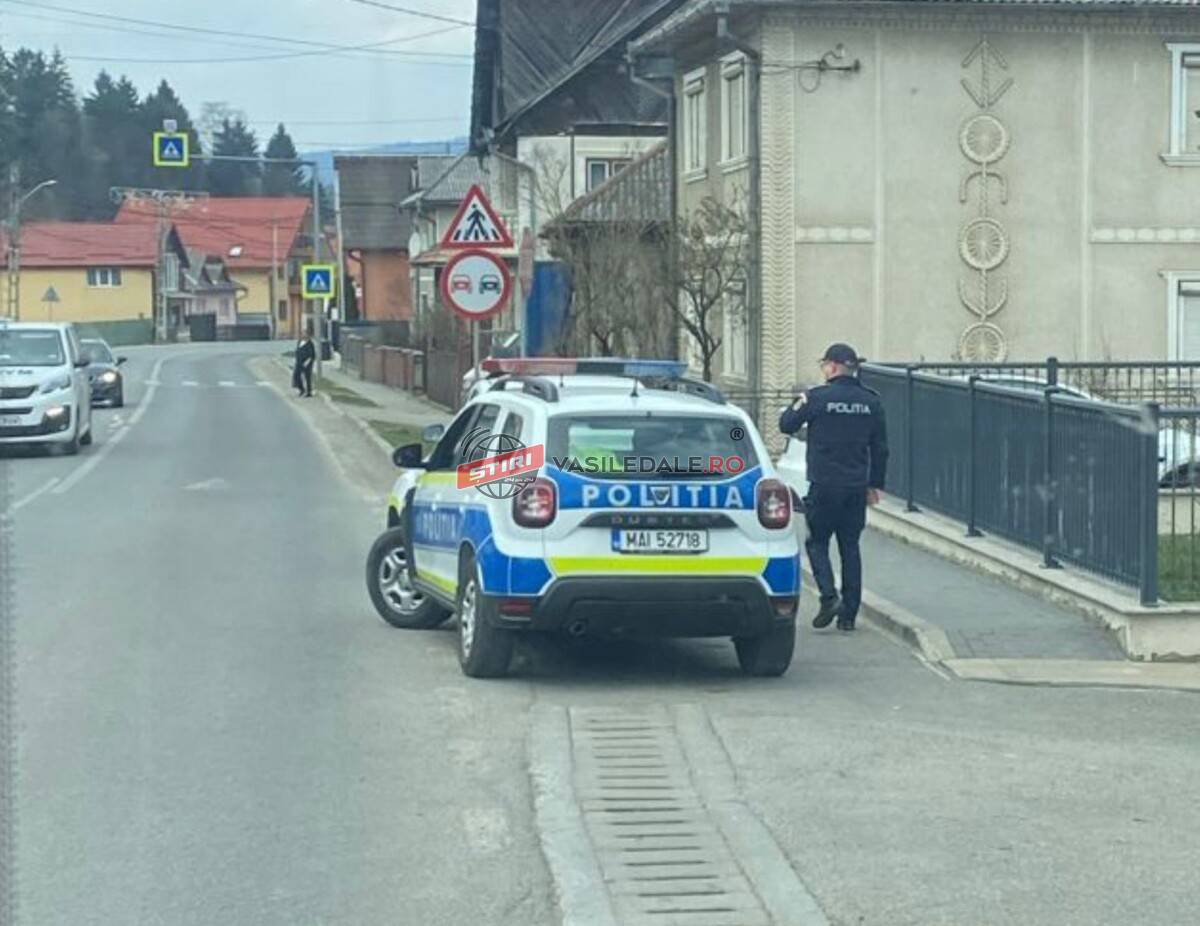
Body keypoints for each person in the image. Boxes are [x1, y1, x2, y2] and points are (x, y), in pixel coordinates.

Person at [779, 343, 888, 632]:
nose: (824, 370)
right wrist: (875, 484)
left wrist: (804, 406)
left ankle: (829, 597)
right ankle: (848, 616)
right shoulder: (871, 401)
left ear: (834, 366)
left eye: (825, 365)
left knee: (817, 542)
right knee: (850, 547)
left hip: (824, 485)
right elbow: (881, 448)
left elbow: (786, 424)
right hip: (856, 486)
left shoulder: (817, 398)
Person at [293, 329, 316, 398]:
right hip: (299, 362)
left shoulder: (310, 343)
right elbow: (298, 350)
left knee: (307, 377)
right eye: (302, 333)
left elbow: (312, 355)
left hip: (307, 363)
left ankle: (309, 392)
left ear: (307, 335)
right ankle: (301, 389)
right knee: (296, 375)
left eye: (305, 334)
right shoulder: (300, 341)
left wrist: (307, 363)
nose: (303, 335)